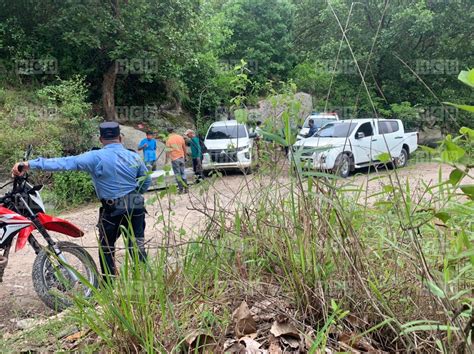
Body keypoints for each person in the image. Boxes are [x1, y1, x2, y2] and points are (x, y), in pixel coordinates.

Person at [11, 122, 151, 280]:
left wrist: (29, 164)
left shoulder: (94, 157)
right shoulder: (133, 156)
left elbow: (64, 163)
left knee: (107, 248)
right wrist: (134, 194)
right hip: (136, 204)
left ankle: (109, 286)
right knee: (137, 244)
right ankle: (146, 283)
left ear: (100, 139)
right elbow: (146, 181)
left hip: (113, 208)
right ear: (120, 138)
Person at [165, 127, 188, 194]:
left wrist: (166, 160)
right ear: (174, 131)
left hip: (174, 158)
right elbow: (184, 148)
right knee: (183, 172)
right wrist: (185, 157)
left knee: (177, 174)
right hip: (181, 157)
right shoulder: (180, 137)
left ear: (168, 132)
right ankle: (186, 188)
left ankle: (181, 189)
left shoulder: (168, 139)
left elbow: (167, 151)